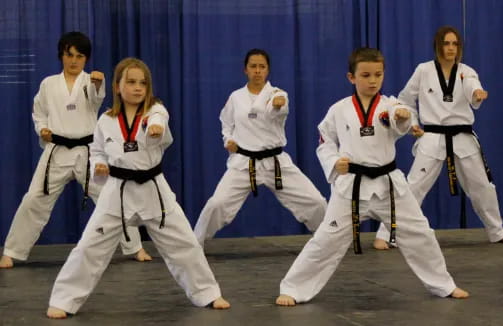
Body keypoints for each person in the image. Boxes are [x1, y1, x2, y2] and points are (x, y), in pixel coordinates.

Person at [276, 48, 468, 307]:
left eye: (378, 74)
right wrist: (334, 162)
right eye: (365, 75)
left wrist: (404, 117)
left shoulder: (390, 106)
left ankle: (443, 285)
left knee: (421, 234)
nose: (373, 80)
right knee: (326, 240)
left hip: (389, 186)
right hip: (351, 187)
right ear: (351, 77)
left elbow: (402, 118)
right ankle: (294, 288)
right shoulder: (339, 110)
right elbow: (324, 142)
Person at [46, 57, 230, 319]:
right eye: (130, 82)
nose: (137, 87)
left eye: (142, 83)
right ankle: (64, 299)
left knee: (185, 243)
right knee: (89, 246)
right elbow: (97, 151)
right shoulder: (106, 121)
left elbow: (159, 118)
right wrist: (98, 166)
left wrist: (155, 126)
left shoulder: (155, 112)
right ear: (117, 87)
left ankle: (208, 293)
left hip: (154, 189)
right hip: (117, 191)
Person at [0, 32, 150, 269]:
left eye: (79, 56)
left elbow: (94, 101)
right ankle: (12, 251)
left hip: (88, 151)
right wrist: (43, 129)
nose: (73, 60)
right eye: (69, 55)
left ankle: (134, 246)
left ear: (86, 59)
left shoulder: (91, 81)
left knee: (111, 197)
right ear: (61, 55)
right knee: (34, 200)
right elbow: (38, 113)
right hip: (57, 151)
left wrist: (98, 84)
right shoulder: (48, 84)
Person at [373, 26, 503, 250]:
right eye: (446, 43)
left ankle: (497, 231)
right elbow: (404, 100)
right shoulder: (423, 70)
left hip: (463, 137)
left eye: (455, 44)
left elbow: (472, 86)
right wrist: (412, 123)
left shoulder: (466, 71)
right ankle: (387, 233)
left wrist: (476, 94)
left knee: (483, 187)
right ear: (438, 45)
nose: (450, 48)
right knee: (413, 187)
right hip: (432, 137)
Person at [193, 48, 327, 246]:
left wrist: (277, 105)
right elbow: (226, 122)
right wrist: (227, 140)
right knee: (217, 203)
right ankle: (195, 243)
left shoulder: (277, 94)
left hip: (275, 163)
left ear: (268, 71)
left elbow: (277, 112)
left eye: (262, 67)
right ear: (245, 70)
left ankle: (329, 239)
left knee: (316, 201)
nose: (257, 70)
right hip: (244, 162)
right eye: (253, 66)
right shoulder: (236, 97)